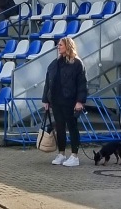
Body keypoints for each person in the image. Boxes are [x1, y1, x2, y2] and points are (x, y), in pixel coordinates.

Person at [42, 37, 87, 167]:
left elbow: (82, 84)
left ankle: (74, 156)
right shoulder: (54, 63)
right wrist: (46, 99)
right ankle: (61, 153)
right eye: (58, 45)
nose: (58, 46)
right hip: (56, 100)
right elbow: (48, 82)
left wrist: (80, 101)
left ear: (68, 46)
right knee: (60, 127)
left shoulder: (77, 63)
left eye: (60, 45)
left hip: (70, 101)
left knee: (72, 127)